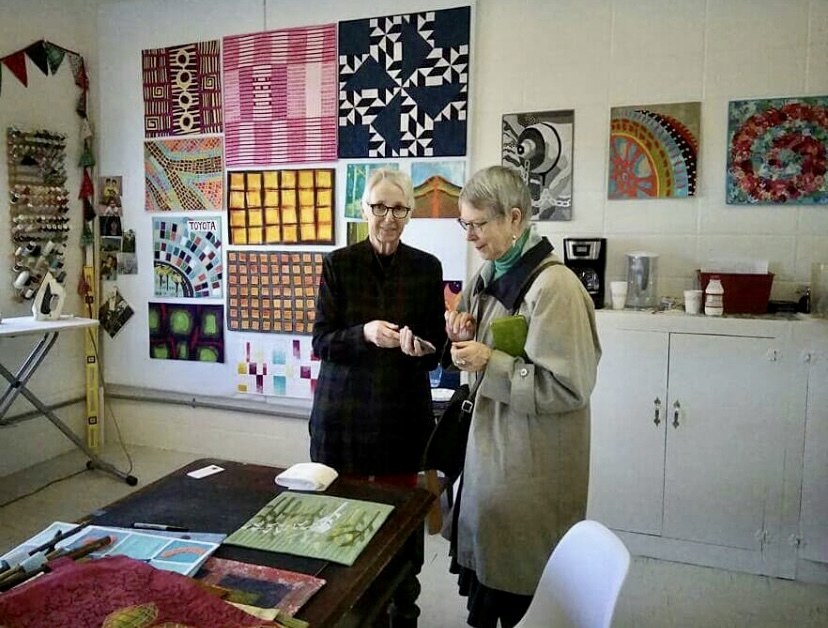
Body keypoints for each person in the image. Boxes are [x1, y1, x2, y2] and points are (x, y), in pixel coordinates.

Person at [444, 165, 601, 628]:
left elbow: (569, 387)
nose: (470, 236)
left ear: (515, 219)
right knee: (489, 576)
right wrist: (459, 330)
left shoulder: (556, 288)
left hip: (529, 465)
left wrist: (487, 362)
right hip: (490, 454)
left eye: (479, 224)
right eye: (464, 223)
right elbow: (471, 335)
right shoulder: (489, 271)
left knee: (518, 585)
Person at [309, 168, 447, 628]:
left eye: (399, 209)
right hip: (343, 416)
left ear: (410, 213)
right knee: (342, 524)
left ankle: (401, 608)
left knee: (398, 529)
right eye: (380, 207)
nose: (389, 218)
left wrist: (422, 346)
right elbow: (322, 342)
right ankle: (348, 611)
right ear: (363, 210)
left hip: (400, 416)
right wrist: (364, 333)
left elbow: (435, 353)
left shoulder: (426, 268)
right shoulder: (339, 264)